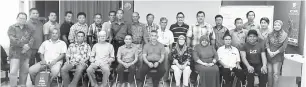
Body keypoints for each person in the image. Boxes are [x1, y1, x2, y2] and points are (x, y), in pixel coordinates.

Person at [7, 12, 34, 87]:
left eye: (24, 18)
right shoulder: (12, 27)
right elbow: (12, 39)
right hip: (15, 53)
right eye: (20, 18)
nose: (22, 20)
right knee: (13, 72)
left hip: (26, 53)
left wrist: (28, 46)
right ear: (17, 18)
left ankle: (22, 85)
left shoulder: (28, 28)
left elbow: (32, 38)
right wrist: (23, 45)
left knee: (24, 72)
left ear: (26, 19)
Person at [266, 20, 288, 87]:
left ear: (281, 26)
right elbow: (267, 43)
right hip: (269, 56)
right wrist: (269, 51)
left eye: (278, 25)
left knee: (275, 74)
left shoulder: (285, 35)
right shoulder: (270, 34)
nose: (277, 26)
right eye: (275, 25)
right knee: (269, 73)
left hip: (278, 57)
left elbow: (284, 47)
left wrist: (275, 53)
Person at [157, 17, 174, 81]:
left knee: (166, 63)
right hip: (158, 48)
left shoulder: (169, 32)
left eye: (165, 22)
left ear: (166, 23)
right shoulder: (157, 31)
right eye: (162, 22)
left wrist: (170, 52)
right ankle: (158, 77)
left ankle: (165, 78)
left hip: (166, 48)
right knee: (158, 63)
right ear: (159, 23)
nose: (163, 24)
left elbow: (171, 44)